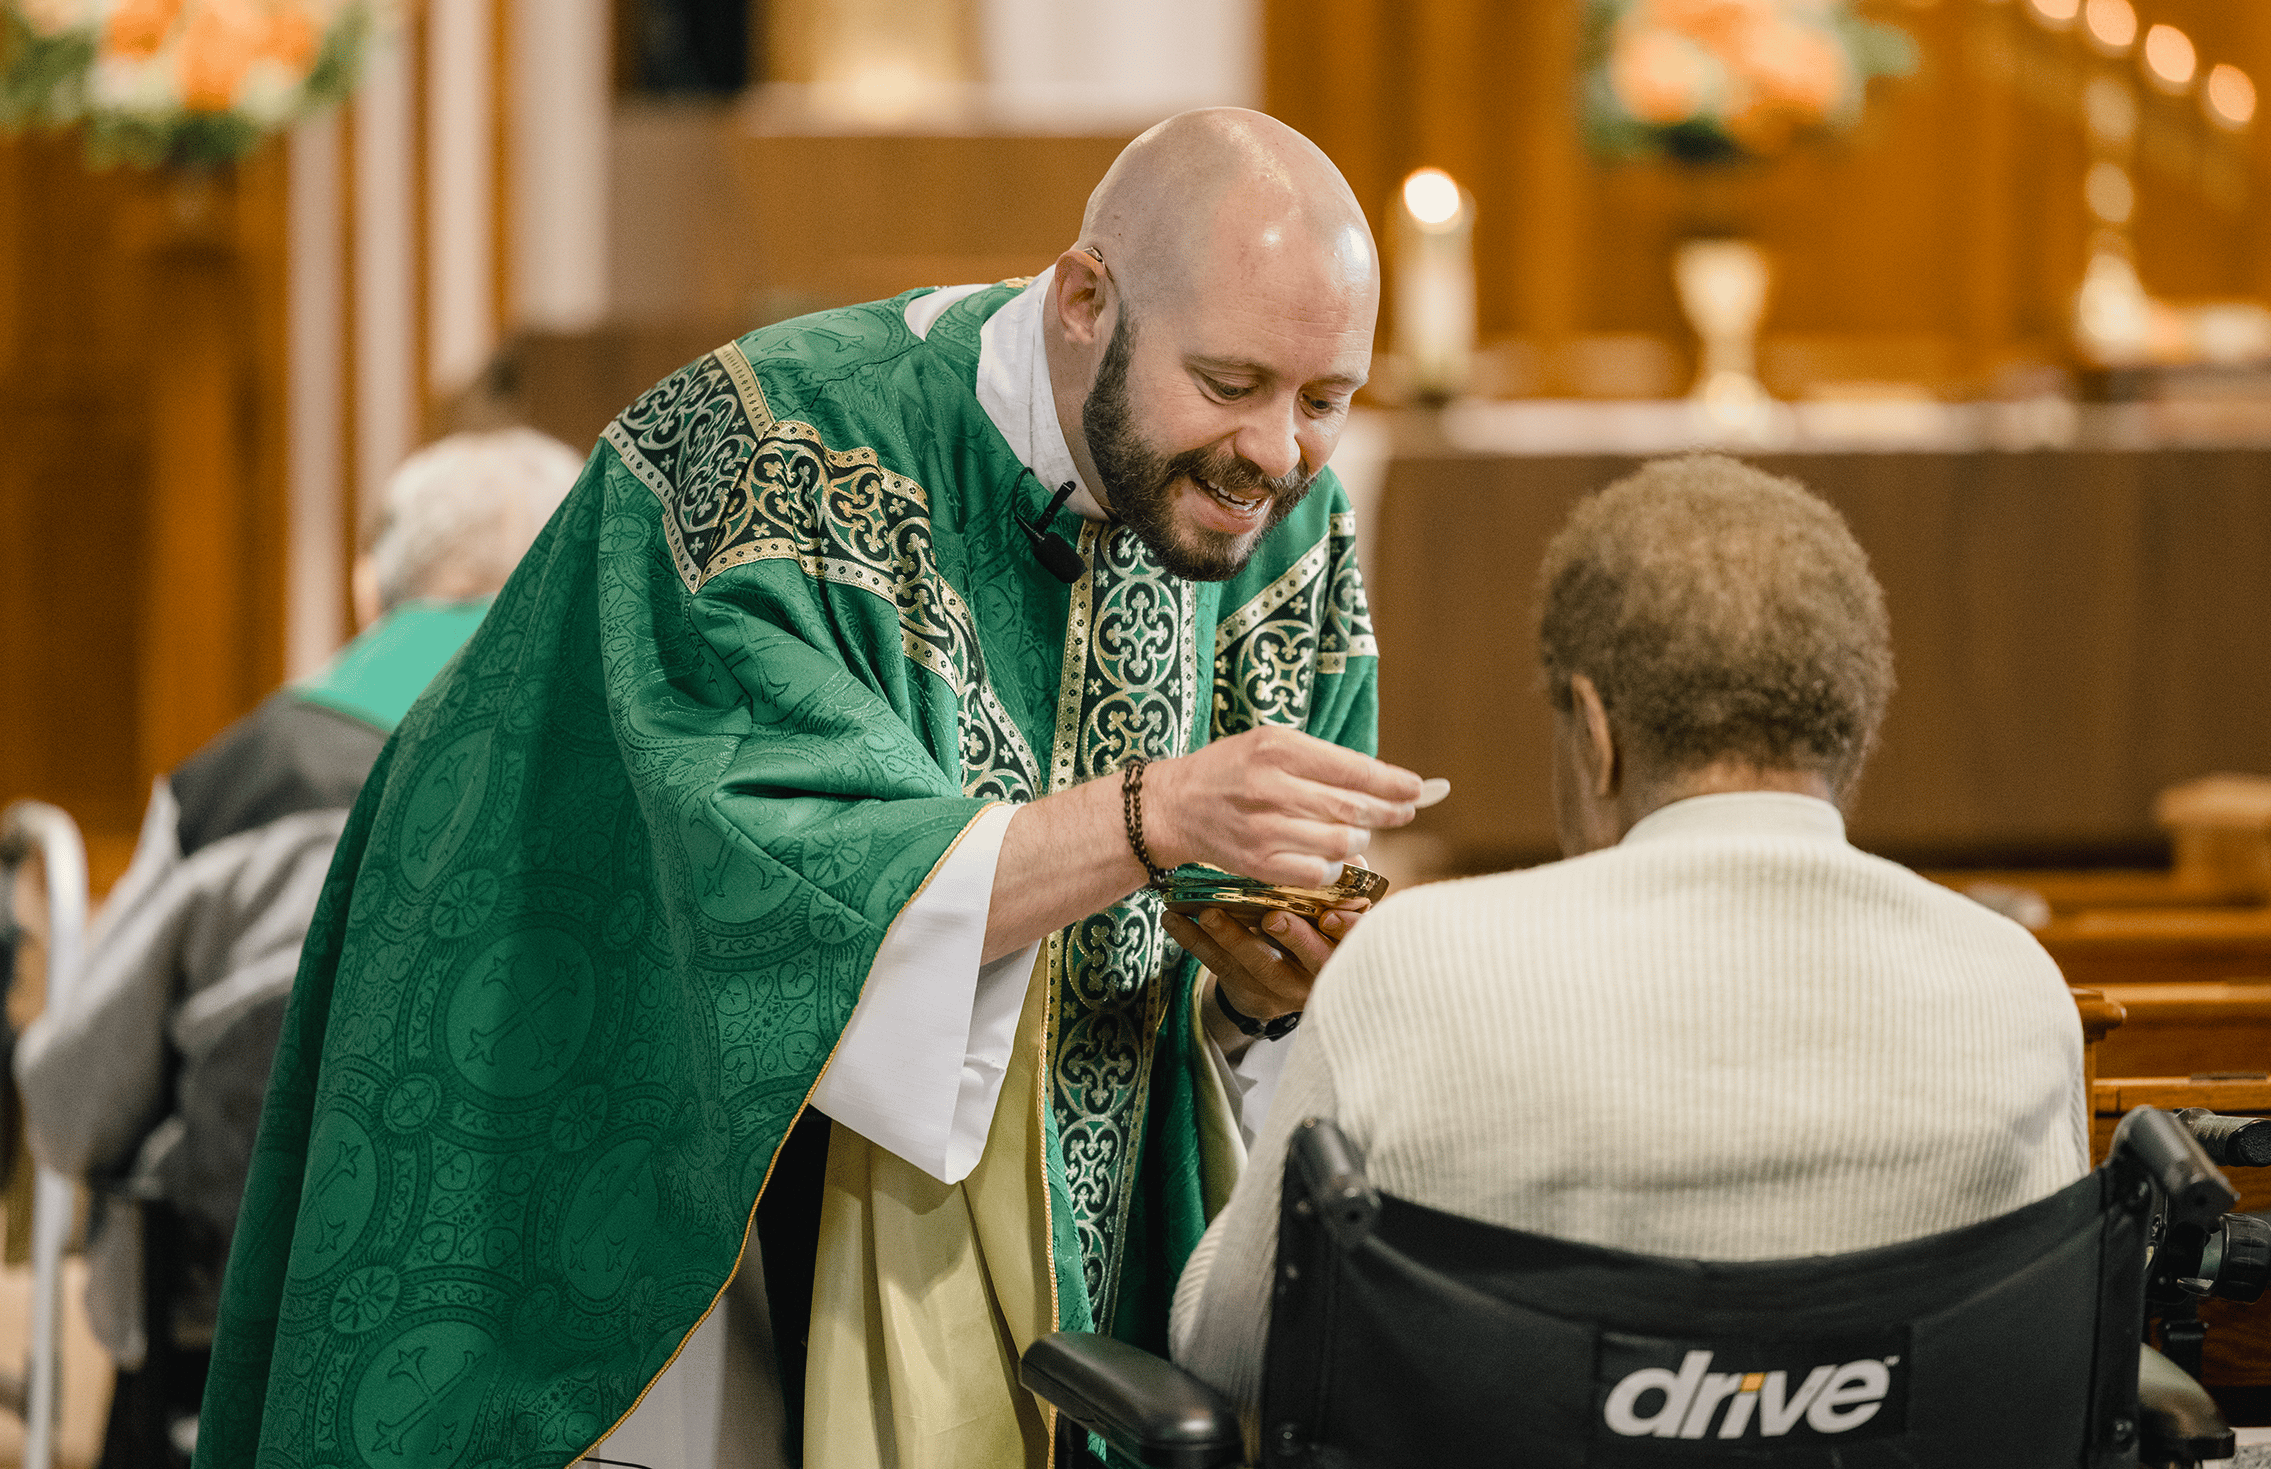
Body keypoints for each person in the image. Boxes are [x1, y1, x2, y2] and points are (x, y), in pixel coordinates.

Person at [197, 109, 1430, 1469]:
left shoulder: (1280, 515)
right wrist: (1153, 816)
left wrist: (1266, 989)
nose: (1278, 452)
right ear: (1084, 298)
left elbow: (1255, 950)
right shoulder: (773, 453)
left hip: (1099, 1267)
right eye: (1232, 379)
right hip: (662, 1196)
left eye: (1325, 399)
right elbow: (783, 894)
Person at [1169, 454, 2090, 1429]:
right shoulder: (2011, 988)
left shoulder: (1416, 967)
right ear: (1851, 723)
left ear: (1596, 732)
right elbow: (2039, 1376)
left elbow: (1234, 1360)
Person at [16, 428, 583, 1465]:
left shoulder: (237, 783)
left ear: (371, 592)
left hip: (227, 1365)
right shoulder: (609, 779)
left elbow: (71, 1107)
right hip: (535, 1367)